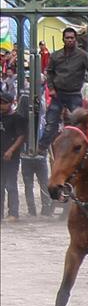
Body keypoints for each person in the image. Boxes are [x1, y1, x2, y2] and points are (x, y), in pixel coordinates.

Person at [38, 28, 88, 152]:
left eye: (72, 38)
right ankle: (41, 148)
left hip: (74, 94)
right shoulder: (56, 55)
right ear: (63, 39)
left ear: (75, 39)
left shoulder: (82, 55)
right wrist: (51, 88)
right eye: (67, 38)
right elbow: (49, 72)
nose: (70, 40)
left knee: (77, 123)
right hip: (58, 94)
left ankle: (79, 148)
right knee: (51, 123)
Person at [0, 89, 27, 222]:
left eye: (4, 103)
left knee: (10, 185)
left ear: (11, 103)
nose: (1, 105)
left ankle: (13, 213)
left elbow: (21, 136)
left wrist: (11, 150)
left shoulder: (17, 118)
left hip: (11, 157)